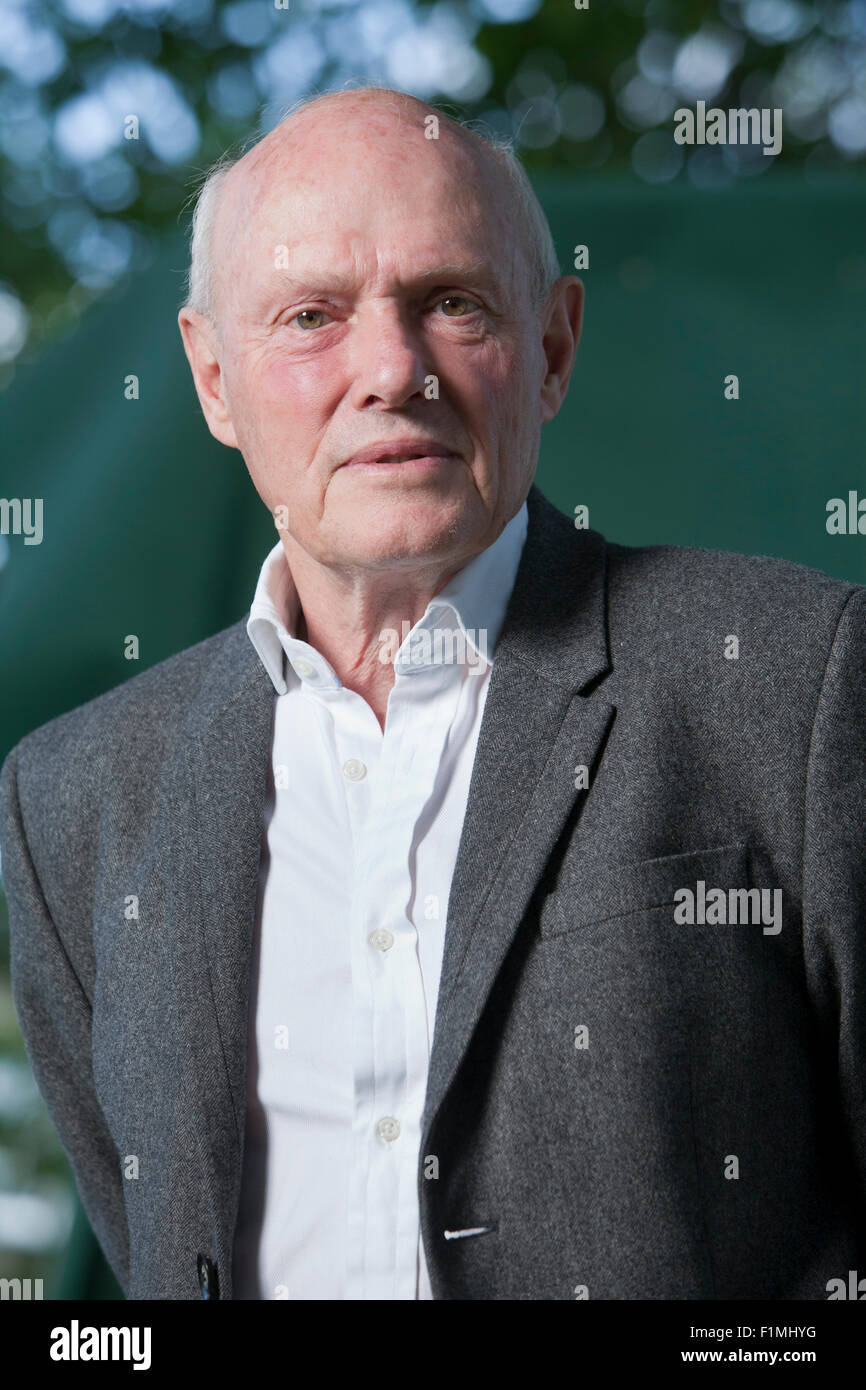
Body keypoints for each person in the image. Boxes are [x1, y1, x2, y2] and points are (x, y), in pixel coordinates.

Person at [1, 85, 863, 1302]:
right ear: (209, 379)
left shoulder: (798, 680)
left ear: (552, 346)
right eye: (309, 316)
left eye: (450, 302)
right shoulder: (70, 798)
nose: (391, 371)